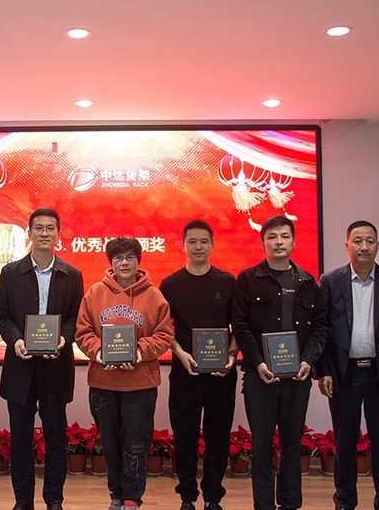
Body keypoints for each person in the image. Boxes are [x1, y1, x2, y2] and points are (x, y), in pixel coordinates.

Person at [316, 221, 379, 510]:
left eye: (370, 241)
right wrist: (324, 371)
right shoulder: (330, 281)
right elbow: (322, 330)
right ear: (346, 246)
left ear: (377, 246)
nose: (364, 246)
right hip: (343, 374)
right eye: (357, 241)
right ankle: (345, 502)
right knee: (345, 444)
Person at [232, 215, 327, 510]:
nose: (279, 242)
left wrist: (308, 360)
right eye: (272, 237)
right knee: (261, 445)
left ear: (294, 242)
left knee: (292, 444)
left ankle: (289, 504)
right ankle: (263, 505)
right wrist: (258, 362)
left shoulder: (308, 282)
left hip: (296, 379)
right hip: (259, 377)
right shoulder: (247, 280)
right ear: (263, 243)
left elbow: (320, 327)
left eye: (284, 236)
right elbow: (240, 326)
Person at [0, 208, 84, 510]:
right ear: (29, 232)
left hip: (56, 366)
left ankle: (54, 500)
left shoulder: (72, 275)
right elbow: (1, 315)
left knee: (56, 438)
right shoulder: (10, 272)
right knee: (21, 439)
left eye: (50, 228)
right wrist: (16, 340)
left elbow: (75, 317)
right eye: (39, 228)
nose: (45, 233)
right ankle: (23, 501)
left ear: (59, 234)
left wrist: (64, 338)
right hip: (20, 366)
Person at [75, 237, 174, 510]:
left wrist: (139, 352)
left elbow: (164, 335)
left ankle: (132, 498)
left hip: (140, 385)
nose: (124, 263)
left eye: (130, 257)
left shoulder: (154, 296)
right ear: (111, 263)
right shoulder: (95, 293)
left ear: (138, 261)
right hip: (103, 384)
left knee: (136, 444)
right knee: (110, 444)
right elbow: (83, 332)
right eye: (118, 258)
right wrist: (100, 352)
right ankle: (116, 495)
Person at [159, 220, 237, 510]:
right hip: (185, 374)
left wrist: (231, 357)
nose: (198, 246)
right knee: (185, 439)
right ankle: (188, 497)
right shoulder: (170, 284)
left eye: (204, 241)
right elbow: (163, 330)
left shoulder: (227, 282)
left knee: (218, 439)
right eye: (192, 241)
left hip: (221, 374)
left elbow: (239, 326)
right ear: (183, 245)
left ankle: (213, 498)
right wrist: (180, 354)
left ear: (212, 245)